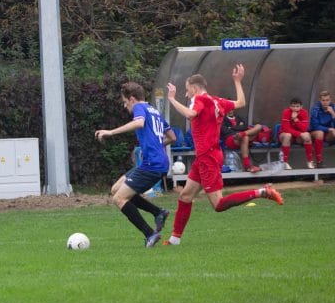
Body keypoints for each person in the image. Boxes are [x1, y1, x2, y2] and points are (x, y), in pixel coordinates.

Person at [163, 64, 284, 246]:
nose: (186, 95)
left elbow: (190, 113)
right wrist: (237, 81)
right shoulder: (217, 100)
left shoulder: (199, 99)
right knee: (185, 196)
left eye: (187, 91)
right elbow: (241, 103)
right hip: (207, 156)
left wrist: (171, 99)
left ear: (195, 89)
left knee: (218, 205)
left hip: (208, 158)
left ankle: (261, 192)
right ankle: (174, 239)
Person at [94, 82, 176, 247]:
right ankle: (158, 212)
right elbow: (172, 137)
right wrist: (156, 147)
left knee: (119, 198)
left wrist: (110, 132)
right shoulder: (154, 111)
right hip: (154, 163)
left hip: (152, 165)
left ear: (132, 99)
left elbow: (138, 123)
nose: (125, 106)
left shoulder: (139, 107)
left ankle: (150, 234)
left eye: (125, 102)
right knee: (116, 189)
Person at [279, 97, 314, 169]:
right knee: (288, 135)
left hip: (297, 137)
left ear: (301, 106)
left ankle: (310, 161)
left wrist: (295, 120)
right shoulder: (286, 112)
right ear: (290, 106)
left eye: (297, 106)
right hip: (285, 135)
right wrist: (300, 134)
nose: (295, 108)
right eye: (293, 106)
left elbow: (304, 128)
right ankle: (284, 162)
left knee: (307, 135)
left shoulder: (304, 112)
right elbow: (286, 129)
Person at [308, 90, 335, 167]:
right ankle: (319, 161)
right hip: (315, 133)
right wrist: (328, 129)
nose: (325, 102)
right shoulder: (315, 109)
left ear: (330, 100)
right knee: (320, 133)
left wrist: (333, 114)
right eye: (323, 100)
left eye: (327, 100)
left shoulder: (333, 107)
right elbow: (315, 126)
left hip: (328, 134)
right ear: (320, 100)